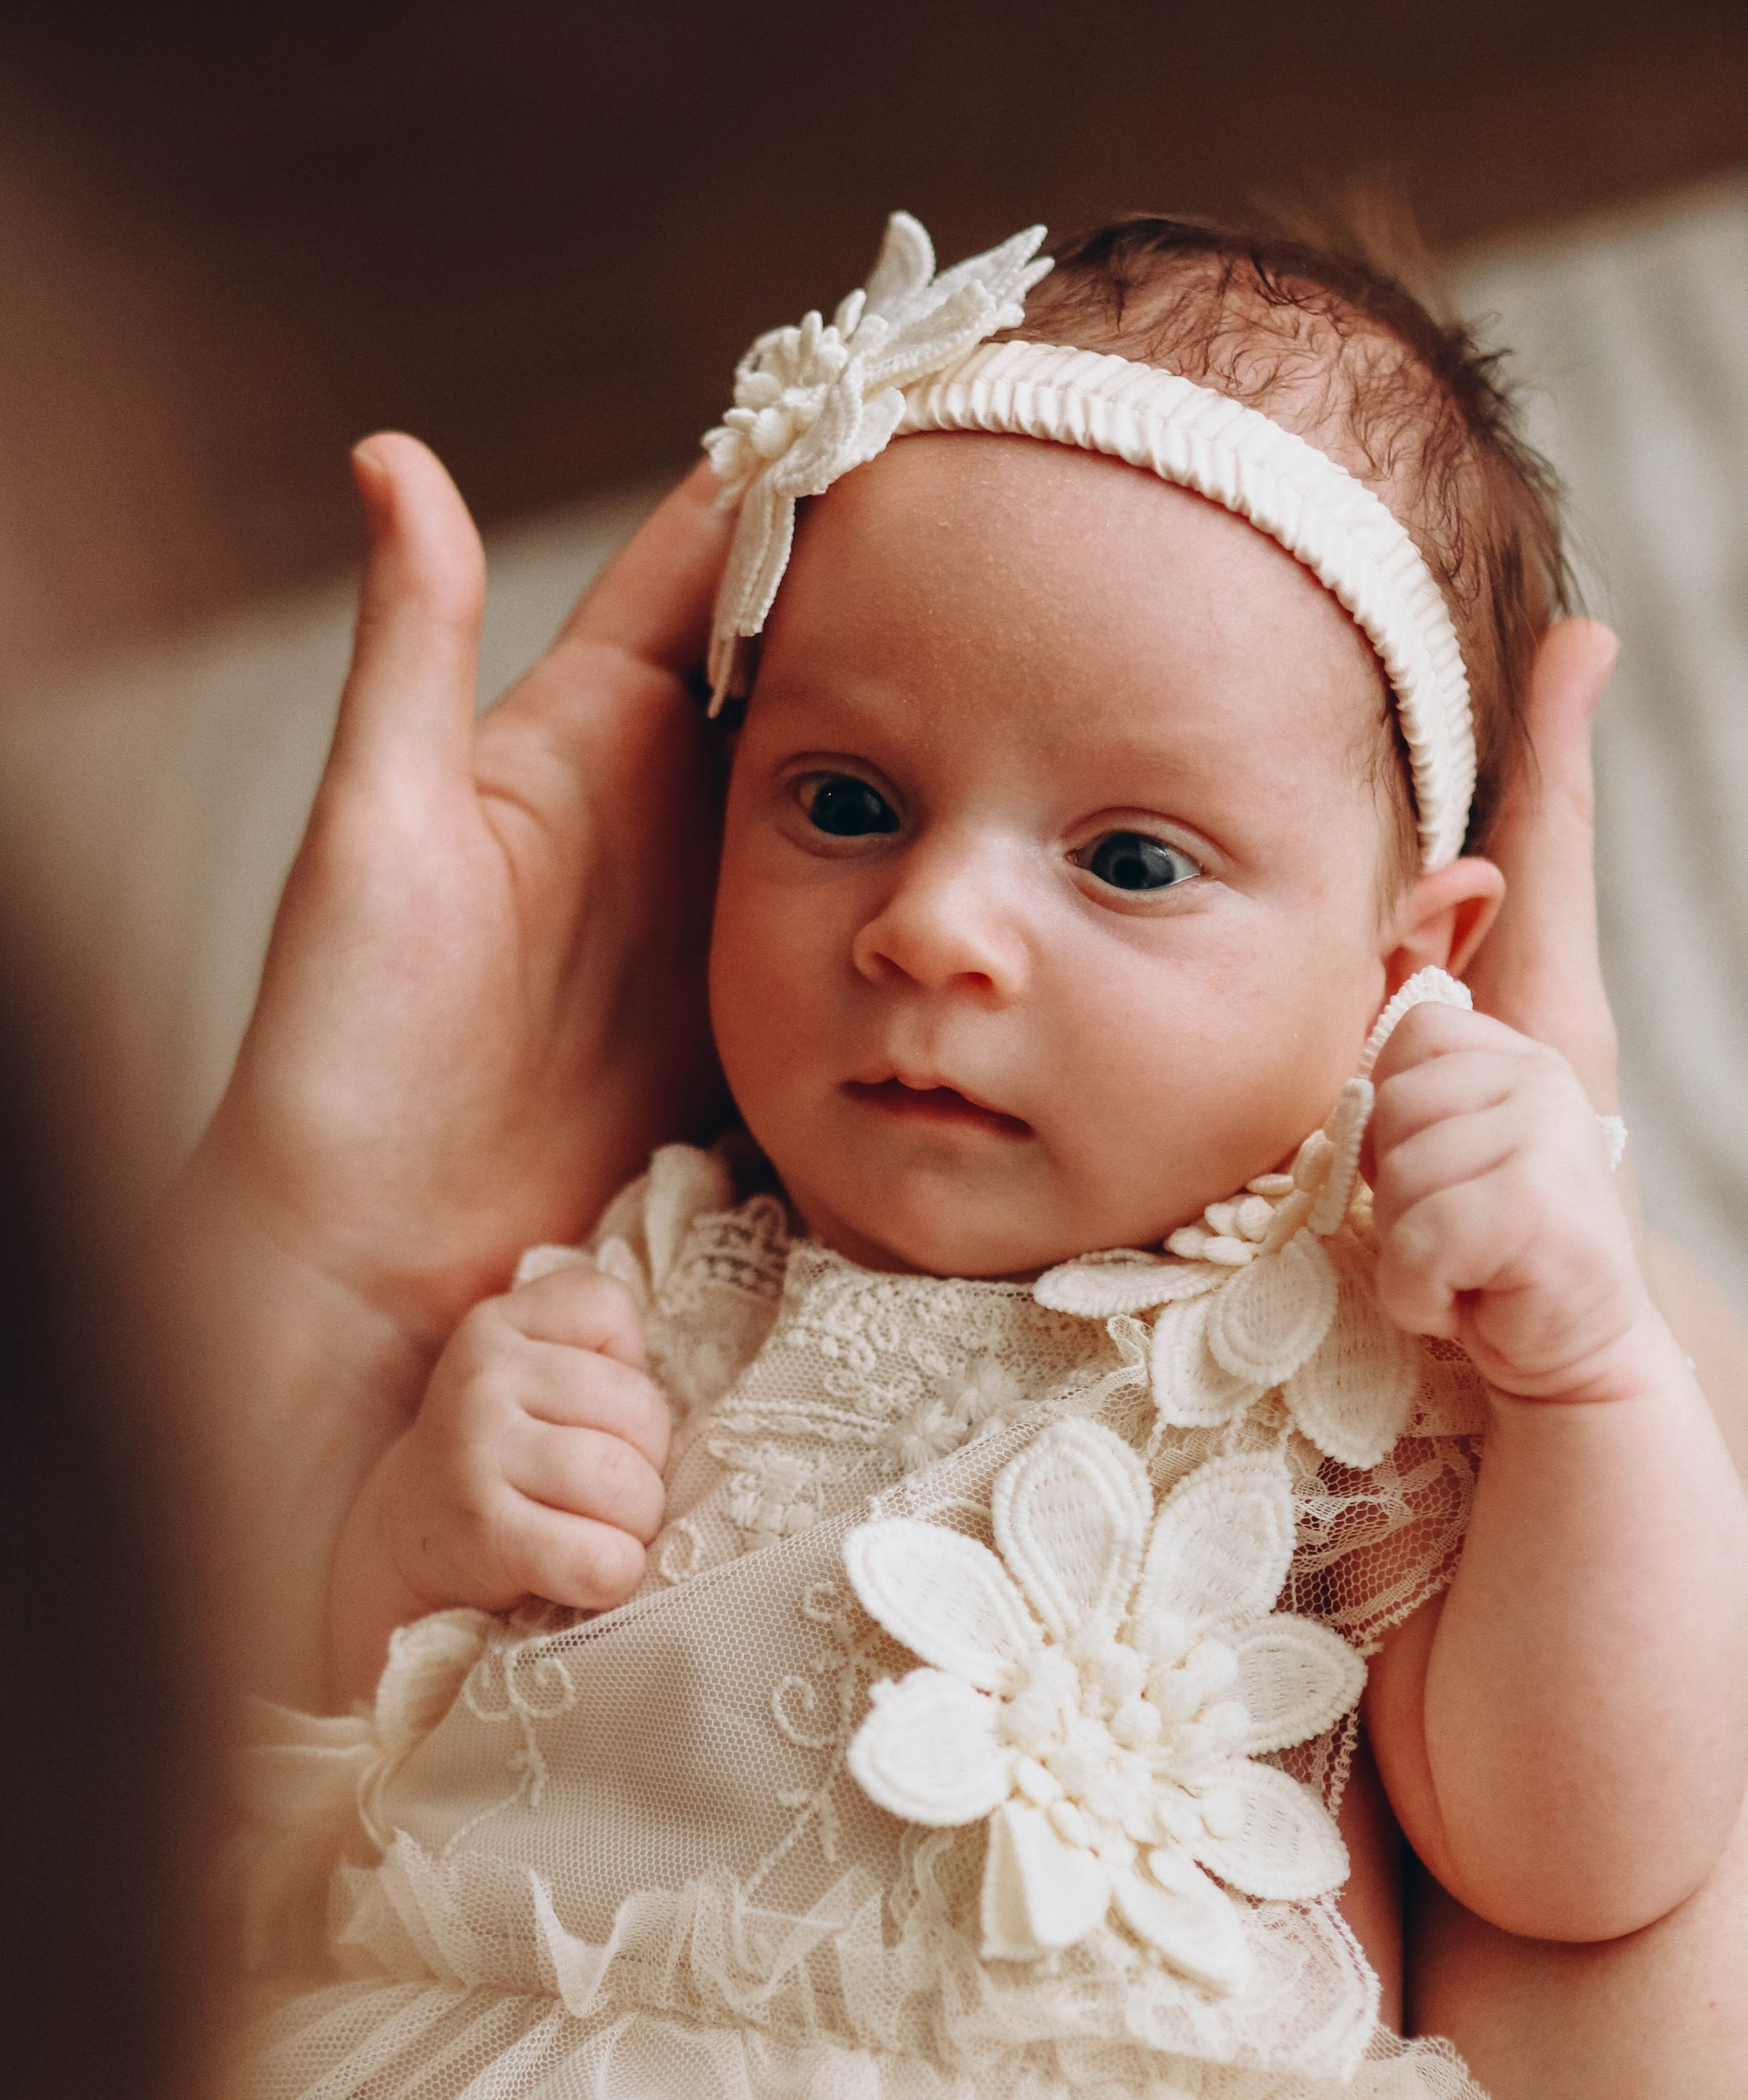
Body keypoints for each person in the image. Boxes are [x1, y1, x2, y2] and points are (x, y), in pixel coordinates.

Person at [197, 217, 1748, 2097]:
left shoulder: (1347, 1347)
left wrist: (1590, 1377)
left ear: (1404, 964)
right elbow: (340, 1752)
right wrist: (415, 1523)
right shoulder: (644, 1260)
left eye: (1128, 857)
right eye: (845, 803)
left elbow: (1573, 1846)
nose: (929, 924)